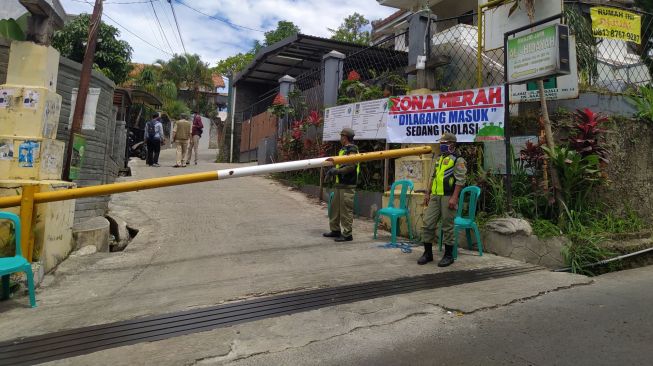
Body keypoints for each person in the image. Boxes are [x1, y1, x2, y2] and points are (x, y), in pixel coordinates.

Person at [418, 133, 467, 267]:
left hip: (448, 196)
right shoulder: (440, 158)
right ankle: (427, 253)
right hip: (435, 196)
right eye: (441, 143)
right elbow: (434, 177)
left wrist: (454, 197)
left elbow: (460, 180)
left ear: (451, 144)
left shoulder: (458, 159)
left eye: (443, 142)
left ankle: (448, 255)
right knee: (427, 223)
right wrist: (428, 193)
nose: (441, 145)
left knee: (447, 226)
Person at [323, 128, 360, 242]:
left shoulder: (352, 149)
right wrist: (332, 172)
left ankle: (347, 234)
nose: (340, 138)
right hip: (339, 184)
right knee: (334, 209)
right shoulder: (344, 149)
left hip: (348, 185)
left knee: (345, 211)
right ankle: (335, 230)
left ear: (345, 137)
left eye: (341, 136)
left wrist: (336, 171)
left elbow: (351, 166)